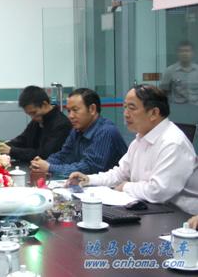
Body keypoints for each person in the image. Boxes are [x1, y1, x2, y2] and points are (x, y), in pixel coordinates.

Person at [68, 85, 198, 214]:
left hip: (181, 217)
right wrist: (89, 179)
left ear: (154, 113)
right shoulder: (140, 139)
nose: (125, 114)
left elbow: (158, 192)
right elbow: (120, 174)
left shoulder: (172, 143)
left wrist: (126, 186)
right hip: (152, 209)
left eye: (131, 108)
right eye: (124, 107)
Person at [31, 88, 127, 177]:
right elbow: (63, 155)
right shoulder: (77, 130)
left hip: (112, 187)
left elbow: (89, 168)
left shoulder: (106, 131)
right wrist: (41, 164)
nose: (70, 116)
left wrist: (49, 168)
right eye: (69, 111)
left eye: (75, 110)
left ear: (92, 109)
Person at [0, 85, 71, 161]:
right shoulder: (38, 119)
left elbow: (45, 154)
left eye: (34, 112)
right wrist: (2, 146)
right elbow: (22, 139)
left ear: (44, 104)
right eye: (29, 114)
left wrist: (11, 151)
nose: (32, 117)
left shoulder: (61, 124)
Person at [160, 40, 198, 105]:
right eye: (181, 51)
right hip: (177, 108)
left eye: (187, 51)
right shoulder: (170, 71)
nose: (184, 54)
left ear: (192, 53)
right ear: (177, 53)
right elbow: (163, 92)